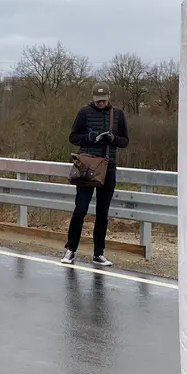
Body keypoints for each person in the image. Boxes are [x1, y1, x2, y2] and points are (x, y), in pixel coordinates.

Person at [62, 84, 130, 267]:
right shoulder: (84, 112)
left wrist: (113, 139)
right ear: (92, 98)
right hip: (86, 166)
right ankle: (71, 249)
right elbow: (73, 137)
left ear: (109, 97)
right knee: (81, 209)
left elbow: (125, 141)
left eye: (104, 100)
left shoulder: (117, 115)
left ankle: (98, 253)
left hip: (108, 167)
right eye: (98, 100)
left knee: (102, 213)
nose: (101, 103)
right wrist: (91, 138)